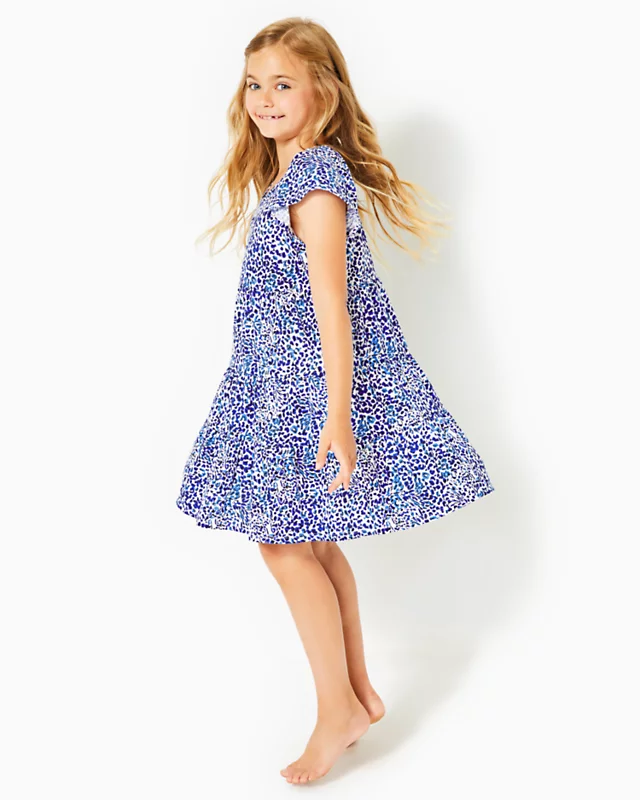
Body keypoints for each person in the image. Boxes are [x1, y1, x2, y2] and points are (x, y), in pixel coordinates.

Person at [176, 16, 495, 785]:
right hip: (274, 387)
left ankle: (336, 711)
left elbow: (334, 306)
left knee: (284, 547)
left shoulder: (316, 183)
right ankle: (356, 694)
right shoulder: (296, 175)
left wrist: (339, 416)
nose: (264, 98)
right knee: (310, 543)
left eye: (283, 84)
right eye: (255, 84)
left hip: (304, 393)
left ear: (323, 91)